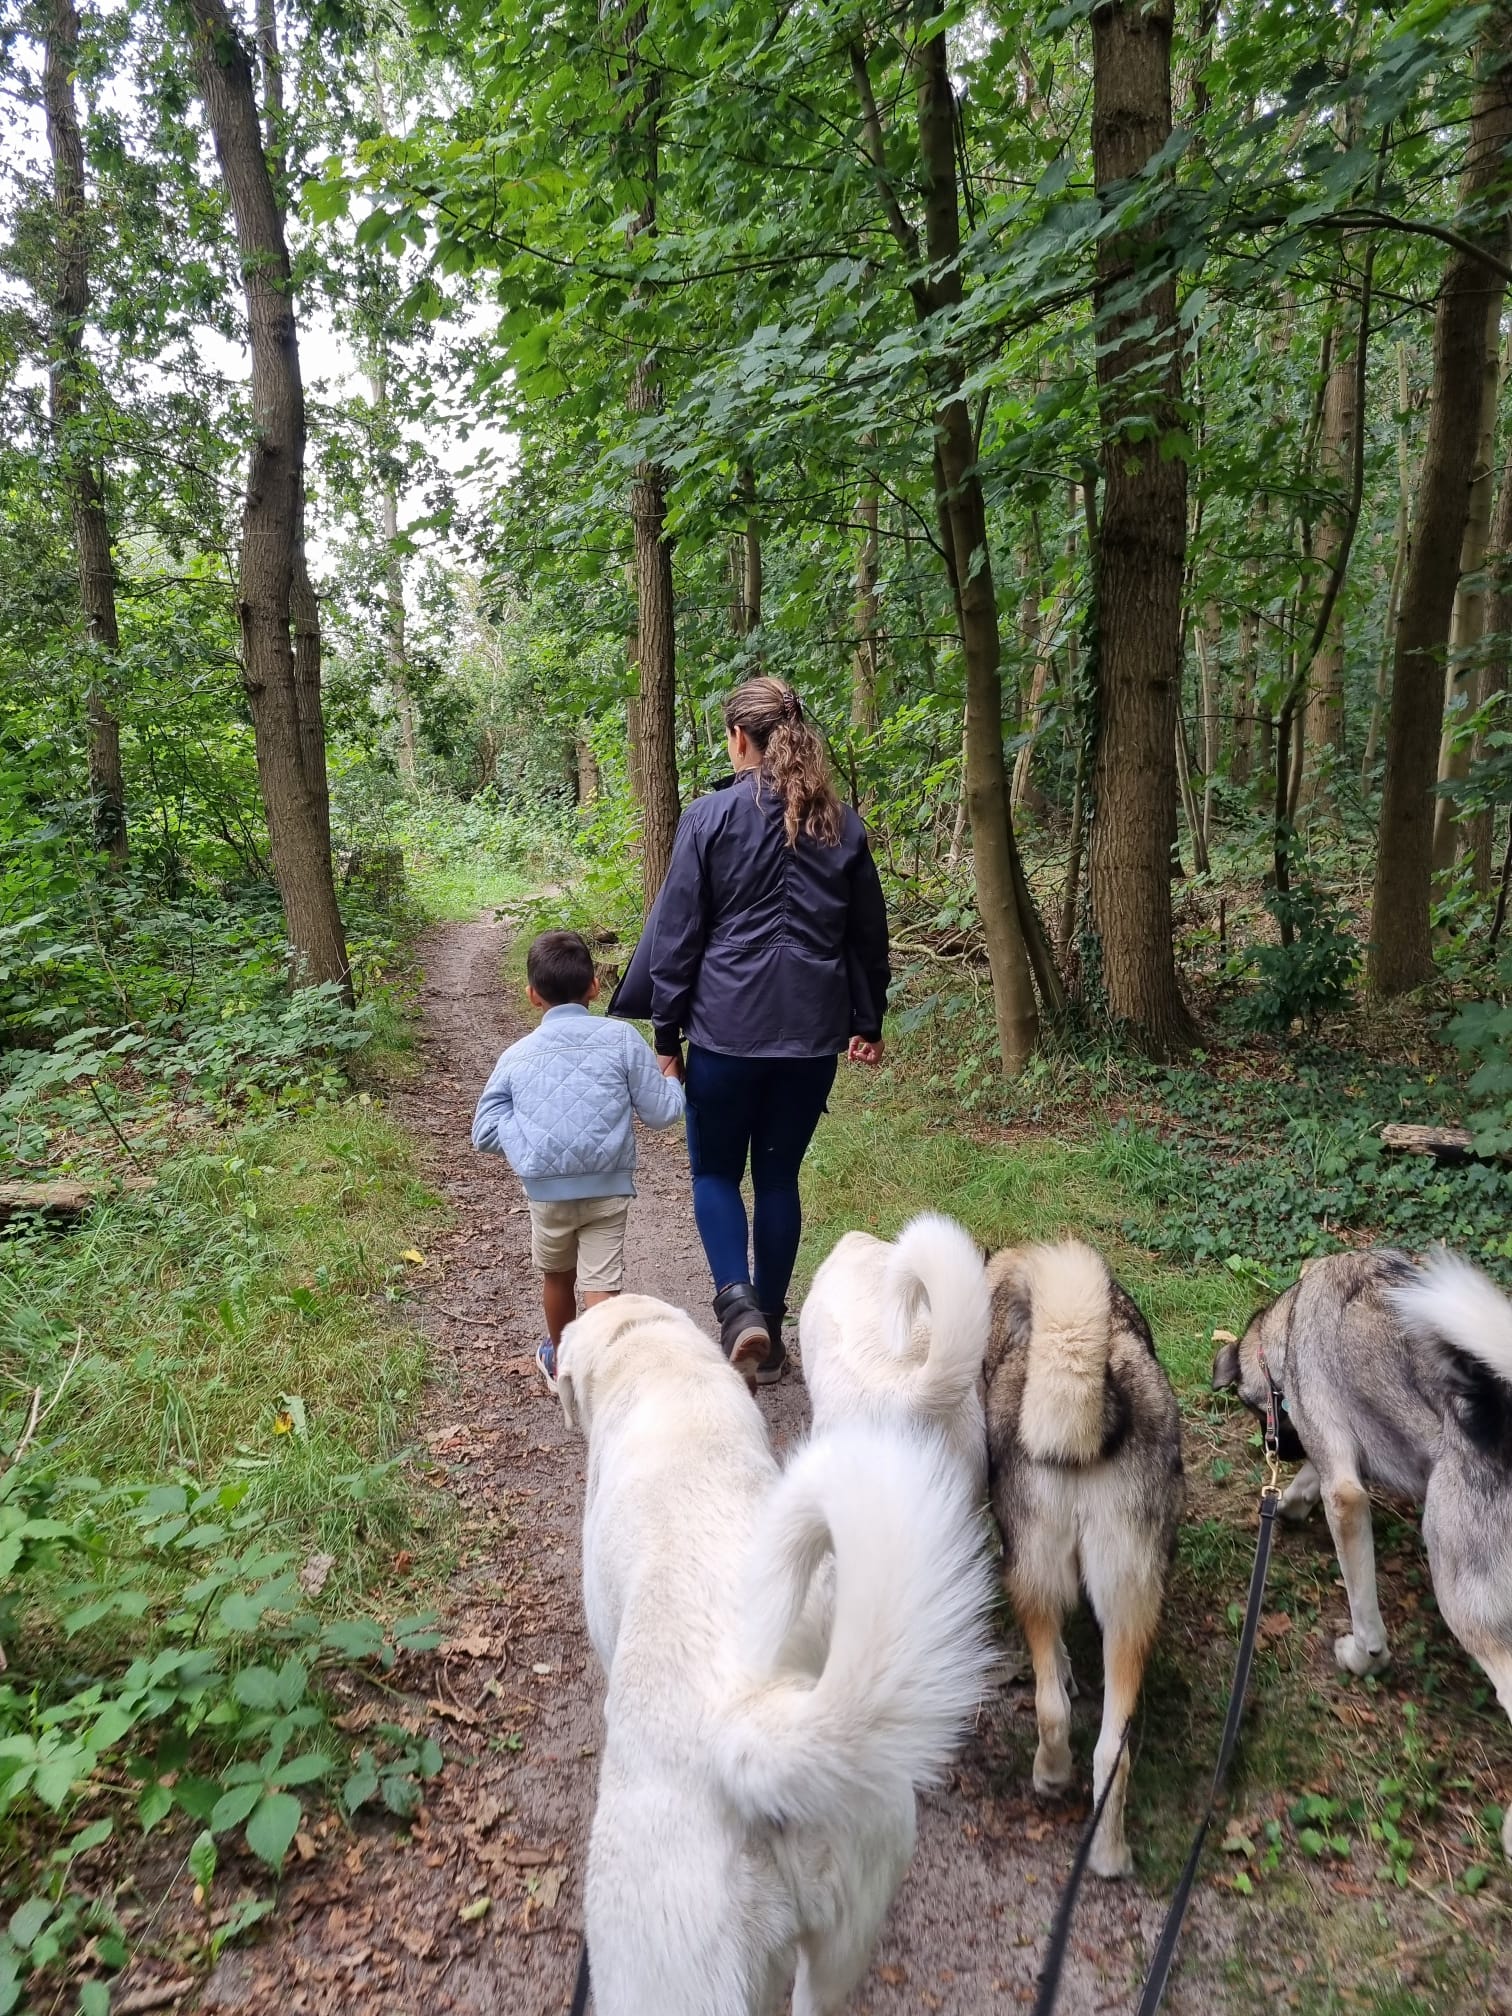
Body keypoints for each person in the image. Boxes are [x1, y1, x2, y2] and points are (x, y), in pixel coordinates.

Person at [609, 675, 890, 1386]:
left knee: (712, 1170)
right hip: (810, 1036)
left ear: (739, 738)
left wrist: (666, 1035)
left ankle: (740, 1313)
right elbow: (867, 938)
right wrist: (868, 1020)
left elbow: (676, 938)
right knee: (778, 1176)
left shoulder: (708, 819)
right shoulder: (843, 825)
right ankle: (771, 1316)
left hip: (726, 1034)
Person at [472, 927, 685, 1393]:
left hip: (546, 1191)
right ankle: (603, 1372)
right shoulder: (622, 1039)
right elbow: (663, 1114)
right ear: (594, 986)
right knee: (602, 1284)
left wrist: (526, 1138)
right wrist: (673, 1078)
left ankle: (561, 1355)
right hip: (608, 1186)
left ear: (532, 996)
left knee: (556, 1274)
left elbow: (484, 1131)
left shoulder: (516, 1055)